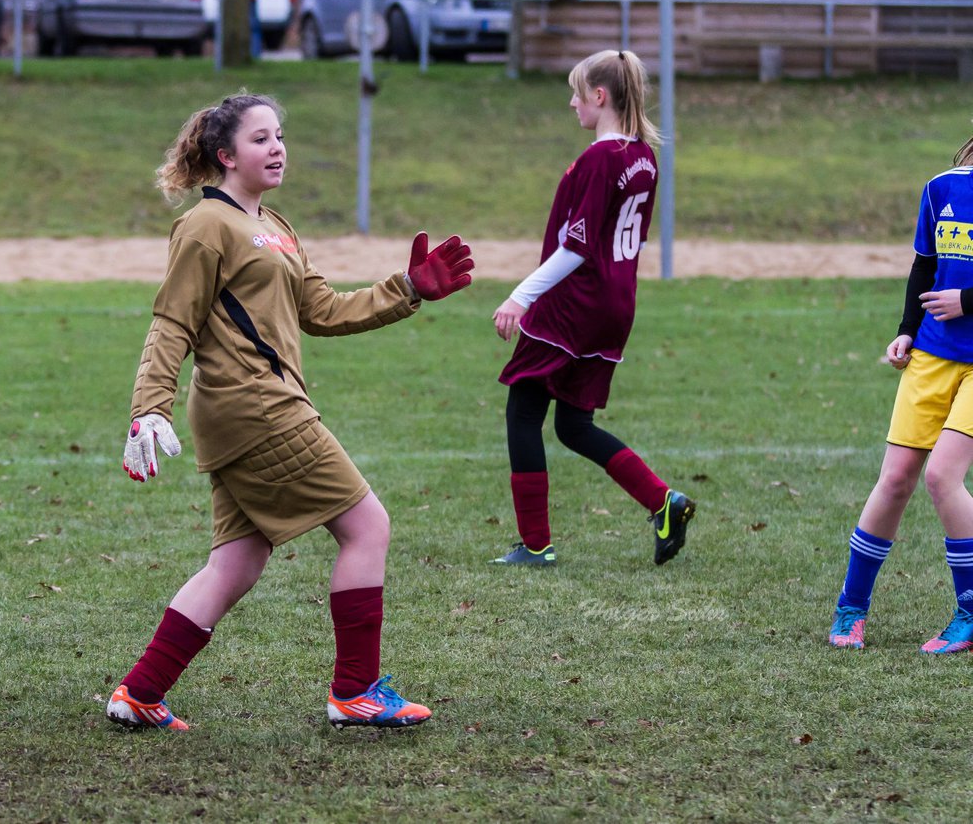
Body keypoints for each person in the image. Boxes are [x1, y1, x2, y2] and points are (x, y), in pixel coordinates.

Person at [107, 91, 474, 730]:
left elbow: (323, 310)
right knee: (368, 527)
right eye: (260, 139)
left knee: (235, 563)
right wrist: (149, 408)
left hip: (249, 413)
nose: (276, 148)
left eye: (279, 136)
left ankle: (139, 693)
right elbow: (172, 323)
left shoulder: (276, 227)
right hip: (258, 409)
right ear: (225, 155)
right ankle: (355, 691)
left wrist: (407, 287)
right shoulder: (205, 225)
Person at [488, 49, 695, 569]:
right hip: (614, 302)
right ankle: (662, 501)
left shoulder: (601, 159)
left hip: (573, 305)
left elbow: (576, 246)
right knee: (573, 424)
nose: (572, 102)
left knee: (524, 411)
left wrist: (521, 295)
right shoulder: (644, 155)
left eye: (577, 92)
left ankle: (536, 545)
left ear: (600, 97)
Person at [828, 130, 973, 652]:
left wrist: (969, 300)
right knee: (895, 479)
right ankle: (851, 609)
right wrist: (907, 328)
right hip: (932, 355)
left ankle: (971, 613)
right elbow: (924, 266)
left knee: (942, 475)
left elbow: (959, 292)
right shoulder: (941, 189)